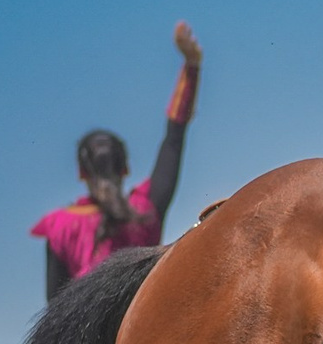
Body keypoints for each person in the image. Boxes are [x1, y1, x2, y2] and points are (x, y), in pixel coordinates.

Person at [32, 21, 204, 299]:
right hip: (143, 324)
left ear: (81, 172)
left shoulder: (59, 226)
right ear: (125, 168)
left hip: (85, 328)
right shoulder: (146, 210)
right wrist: (192, 66)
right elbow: (173, 139)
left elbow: (56, 309)